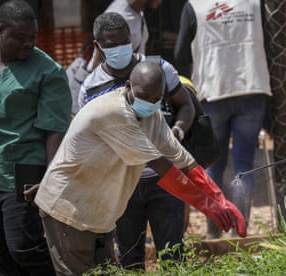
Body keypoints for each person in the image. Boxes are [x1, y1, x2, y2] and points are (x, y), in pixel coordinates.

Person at [34, 60, 246, 275]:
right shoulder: (113, 113)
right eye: (144, 95)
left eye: (156, 98)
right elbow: (161, 166)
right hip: (67, 209)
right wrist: (208, 206)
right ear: (128, 86)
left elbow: (184, 161)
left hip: (98, 216)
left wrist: (220, 200)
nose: (150, 102)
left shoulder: (151, 114)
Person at [78, 12, 195, 269]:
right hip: (121, 185)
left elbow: (186, 105)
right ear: (98, 47)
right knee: (129, 258)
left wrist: (177, 131)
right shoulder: (91, 88)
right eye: (110, 45)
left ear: (131, 40)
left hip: (165, 179)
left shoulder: (160, 68)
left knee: (173, 255)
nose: (118, 49)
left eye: (123, 42)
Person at [0, 0, 72, 275]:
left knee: (24, 249)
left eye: (33, 37)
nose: (28, 44)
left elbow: (56, 129)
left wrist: (48, 178)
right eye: (20, 38)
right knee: (2, 258)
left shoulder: (48, 72)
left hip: (24, 175)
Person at [174, 0, 272, 238]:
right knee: (244, 163)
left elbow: (180, 54)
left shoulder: (194, 7)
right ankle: (240, 231)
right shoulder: (254, 3)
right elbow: (270, 41)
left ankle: (215, 231)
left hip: (212, 90)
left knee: (213, 163)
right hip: (252, 85)